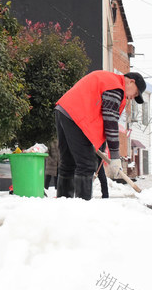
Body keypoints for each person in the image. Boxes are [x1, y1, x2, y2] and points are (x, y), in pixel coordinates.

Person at [54, 70, 146, 200]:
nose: (132, 97)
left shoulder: (108, 79)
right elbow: (110, 121)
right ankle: (83, 206)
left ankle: (64, 203)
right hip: (75, 116)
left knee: (68, 163)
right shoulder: (116, 87)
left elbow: (100, 119)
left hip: (64, 110)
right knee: (86, 165)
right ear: (131, 82)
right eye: (135, 93)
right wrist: (115, 156)